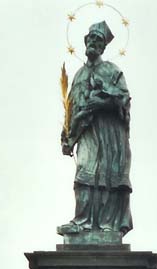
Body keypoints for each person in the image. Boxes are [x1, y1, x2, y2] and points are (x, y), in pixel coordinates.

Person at [57, 21, 133, 236]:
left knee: (107, 176)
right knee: (84, 170)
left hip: (109, 133)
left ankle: (107, 225)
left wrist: (102, 102)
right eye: (91, 38)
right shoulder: (80, 75)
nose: (93, 42)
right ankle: (82, 222)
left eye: (98, 40)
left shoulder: (112, 70)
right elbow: (70, 106)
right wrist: (67, 136)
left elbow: (124, 98)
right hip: (88, 132)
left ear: (103, 47)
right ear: (85, 41)